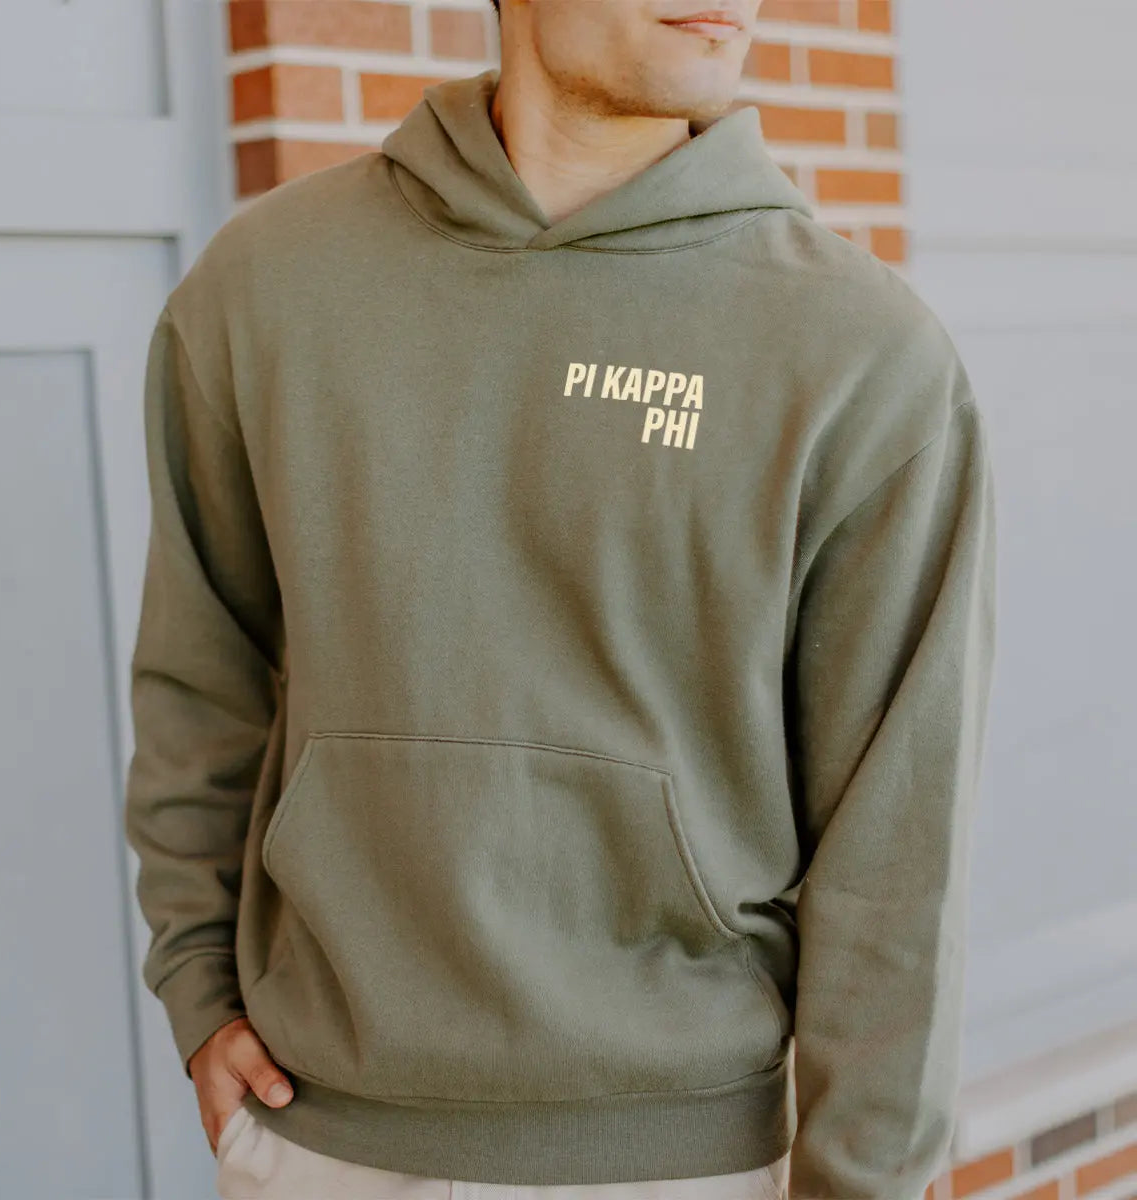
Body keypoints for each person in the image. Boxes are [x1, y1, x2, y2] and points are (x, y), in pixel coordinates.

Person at [122, 0, 998, 1197]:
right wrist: (197, 989)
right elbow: (200, 678)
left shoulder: (860, 353)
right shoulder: (264, 286)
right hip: (315, 1136)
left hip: (683, 1162)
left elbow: (898, 852)